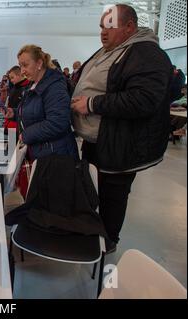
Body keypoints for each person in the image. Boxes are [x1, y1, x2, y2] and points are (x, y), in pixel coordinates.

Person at [71, 4, 173, 253]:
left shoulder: (147, 53)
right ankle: (94, 232)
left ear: (129, 27)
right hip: (98, 139)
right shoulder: (110, 50)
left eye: (110, 26)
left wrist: (92, 103)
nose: (103, 32)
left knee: (112, 195)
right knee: (93, 187)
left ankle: (108, 241)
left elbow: (144, 99)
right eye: (101, 27)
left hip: (121, 144)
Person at [3, 45, 78, 160]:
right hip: (41, 152)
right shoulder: (32, 84)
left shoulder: (54, 86)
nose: (22, 71)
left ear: (39, 63)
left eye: (25, 65)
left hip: (56, 157)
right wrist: (14, 113)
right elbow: (35, 112)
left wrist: (27, 134)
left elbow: (57, 123)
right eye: (20, 66)